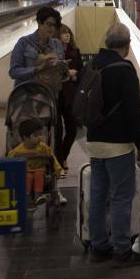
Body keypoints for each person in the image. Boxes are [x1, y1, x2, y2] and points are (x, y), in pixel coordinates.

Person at [86, 23, 140, 268]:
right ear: (127, 45)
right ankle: (122, 250)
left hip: (94, 141)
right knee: (122, 196)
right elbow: (133, 112)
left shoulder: (92, 64)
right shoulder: (125, 69)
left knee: (98, 195)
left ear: (106, 40)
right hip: (118, 145)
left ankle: (99, 246)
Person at [7, 118, 62, 209]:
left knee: (38, 175)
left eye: (41, 134)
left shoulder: (43, 147)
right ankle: (27, 198)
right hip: (26, 171)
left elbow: (52, 157)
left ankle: (38, 196)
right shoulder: (18, 150)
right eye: (36, 135)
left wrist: (57, 168)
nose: (40, 137)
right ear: (26, 138)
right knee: (28, 176)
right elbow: (9, 159)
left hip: (40, 171)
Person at [9, 6, 66, 88]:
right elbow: (14, 72)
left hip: (48, 95)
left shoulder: (57, 45)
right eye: (49, 24)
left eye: (54, 25)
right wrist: (38, 68)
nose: (52, 28)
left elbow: (61, 76)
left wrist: (64, 68)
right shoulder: (23, 43)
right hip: (27, 94)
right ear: (39, 23)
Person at [56, 23, 83, 174]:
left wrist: (75, 75)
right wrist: (67, 74)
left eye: (68, 33)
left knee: (72, 129)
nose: (67, 35)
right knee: (58, 131)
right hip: (56, 94)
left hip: (70, 95)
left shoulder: (75, 51)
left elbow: (81, 71)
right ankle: (59, 162)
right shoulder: (53, 53)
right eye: (64, 33)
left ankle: (63, 156)